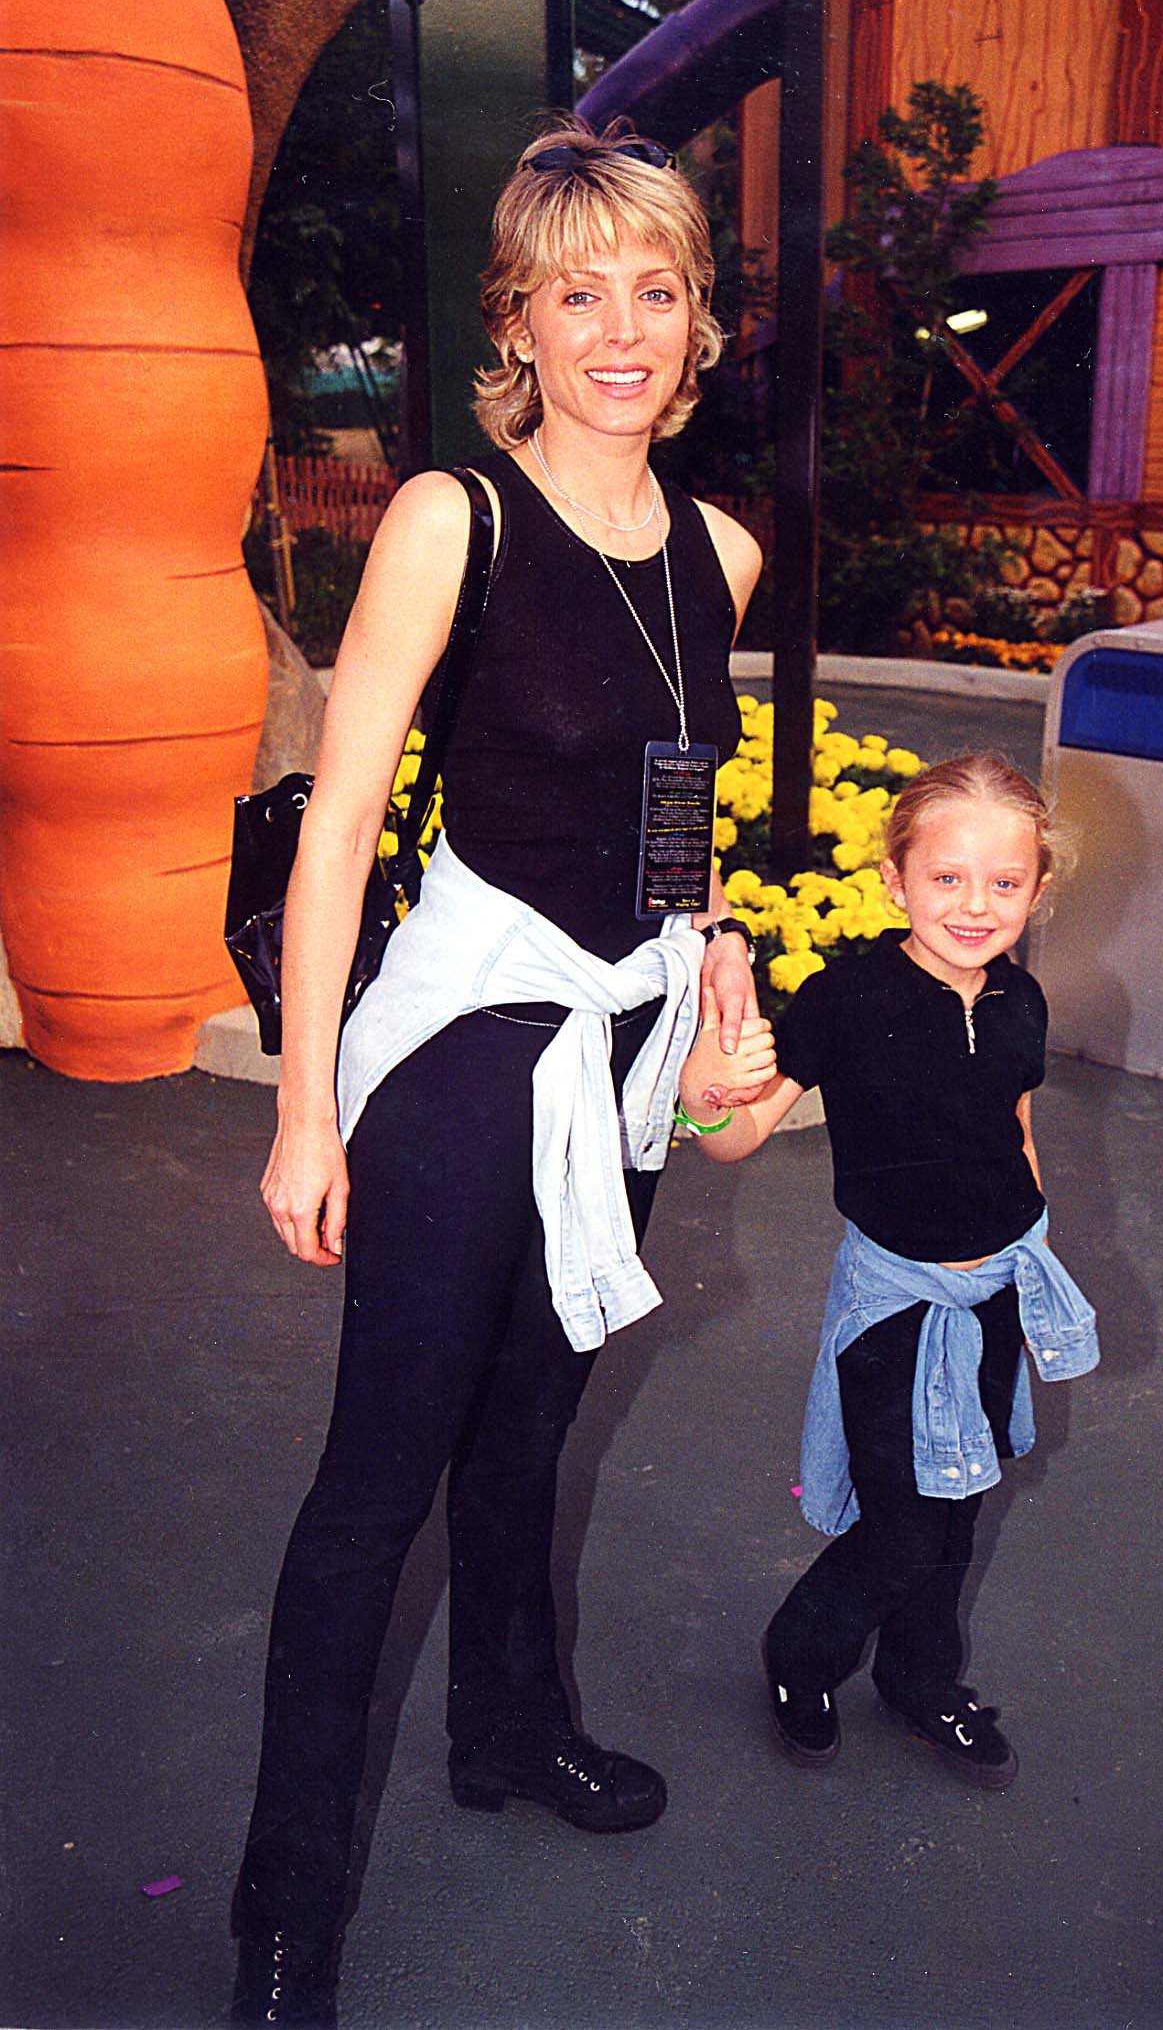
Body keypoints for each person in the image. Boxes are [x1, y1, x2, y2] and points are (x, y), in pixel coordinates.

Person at [231, 118, 763, 2027]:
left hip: (613, 1046)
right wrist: (305, 1107)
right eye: (575, 291)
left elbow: (679, 820)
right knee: (379, 1481)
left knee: (535, 1427)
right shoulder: (453, 516)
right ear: (517, 324)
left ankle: (504, 1732)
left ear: (697, 321)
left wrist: (716, 978)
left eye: (654, 288)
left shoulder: (718, 548)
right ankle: (283, 1916)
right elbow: (343, 818)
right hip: (462, 1042)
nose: (618, 327)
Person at [676, 753, 1099, 1785]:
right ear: (894, 881)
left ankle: (920, 1685)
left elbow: (1014, 1126)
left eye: (1003, 883)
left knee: (956, 1514)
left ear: (1036, 891)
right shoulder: (846, 997)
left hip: (994, 1291)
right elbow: (733, 1138)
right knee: (905, 1525)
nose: (973, 905)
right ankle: (799, 1654)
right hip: (896, 1313)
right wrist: (704, 1084)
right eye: (945, 878)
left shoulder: (1017, 999)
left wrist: (1032, 1241)